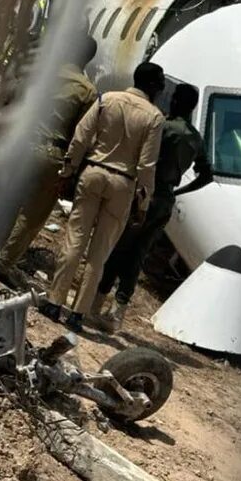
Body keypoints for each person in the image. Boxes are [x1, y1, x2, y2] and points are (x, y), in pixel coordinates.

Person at [39, 62, 166, 332]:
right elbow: (146, 165)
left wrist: (69, 169)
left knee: (75, 239)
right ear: (154, 87)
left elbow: (81, 136)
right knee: (100, 252)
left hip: (94, 172)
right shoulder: (154, 117)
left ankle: (53, 301)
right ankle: (78, 313)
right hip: (123, 184)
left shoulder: (107, 99)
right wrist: (143, 202)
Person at [91, 84, 213, 333]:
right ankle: (118, 312)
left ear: (176, 101)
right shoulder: (195, 138)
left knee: (119, 248)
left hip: (144, 194)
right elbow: (206, 175)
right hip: (165, 199)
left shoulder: (163, 127)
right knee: (138, 256)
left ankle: (96, 302)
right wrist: (176, 191)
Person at [0, 37, 99, 288]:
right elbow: (81, 136)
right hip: (52, 154)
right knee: (33, 214)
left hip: (20, 145)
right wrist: (71, 171)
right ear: (88, 59)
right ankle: (3, 263)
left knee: (7, 200)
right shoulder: (87, 90)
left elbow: (11, 101)